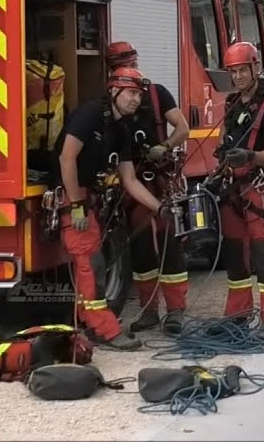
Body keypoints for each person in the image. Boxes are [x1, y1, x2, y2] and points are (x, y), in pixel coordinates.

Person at [52, 68, 167, 350]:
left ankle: (87, 324)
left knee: (89, 264)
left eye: (139, 95)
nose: (136, 100)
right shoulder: (90, 115)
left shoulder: (121, 129)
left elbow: (129, 179)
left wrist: (159, 206)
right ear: (114, 91)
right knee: (92, 264)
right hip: (71, 195)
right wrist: (76, 203)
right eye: (130, 93)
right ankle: (106, 330)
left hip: (87, 196)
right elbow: (67, 158)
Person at [104, 42, 191, 336]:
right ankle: (149, 310)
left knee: (170, 244)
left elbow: (182, 129)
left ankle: (176, 311)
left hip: (161, 177)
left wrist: (163, 146)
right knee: (141, 248)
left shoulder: (156, 94)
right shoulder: (112, 101)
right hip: (133, 181)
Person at [214, 41, 264, 339]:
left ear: (255, 67)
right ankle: (238, 314)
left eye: (242, 70)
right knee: (234, 253)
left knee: (263, 254)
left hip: (258, 187)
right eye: (233, 72)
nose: (238, 77)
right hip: (232, 188)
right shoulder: (231, 104)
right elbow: (222, 138)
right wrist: (223, 155)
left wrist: (250, 156)